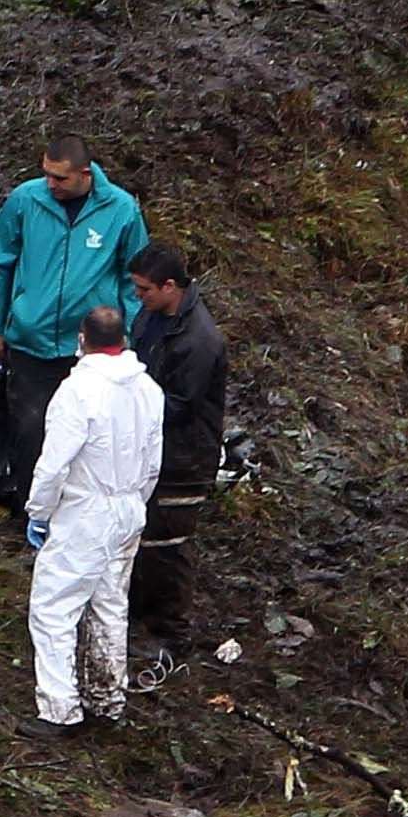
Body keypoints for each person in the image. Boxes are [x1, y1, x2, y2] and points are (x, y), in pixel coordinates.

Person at [24, 303, 163, 732]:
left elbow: (54, 463)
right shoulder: (148, 389)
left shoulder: (78, 390)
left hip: (87, 510)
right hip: (129, 509)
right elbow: (153, 461)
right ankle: (107, 699)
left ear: (82, 338)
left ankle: (60, 710)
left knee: (53, 608)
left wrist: (39, 511)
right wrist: (136, 502)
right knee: (109, 604)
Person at [0, 137, 149, 487]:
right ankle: (29, 508)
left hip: (92, 349)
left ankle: (76, 507)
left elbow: (132, 277)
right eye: (46, 175)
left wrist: (130, 335)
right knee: (30, 430)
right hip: (31, 340)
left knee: (89, 433)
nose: (50, 185)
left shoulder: (121, 210)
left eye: (60, 178)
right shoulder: (25, 200)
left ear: (85, 174)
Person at [127, 244, 227, 631]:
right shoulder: (151, 317)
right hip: (151, 448)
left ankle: (172, 626)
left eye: (144, 290)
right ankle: (139, 614)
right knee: (144, 538)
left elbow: (179, 406)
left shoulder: (199, 340)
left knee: (168, 545)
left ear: (170, 287)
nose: (138, 298)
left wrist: (128, 407)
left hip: (182, 458)